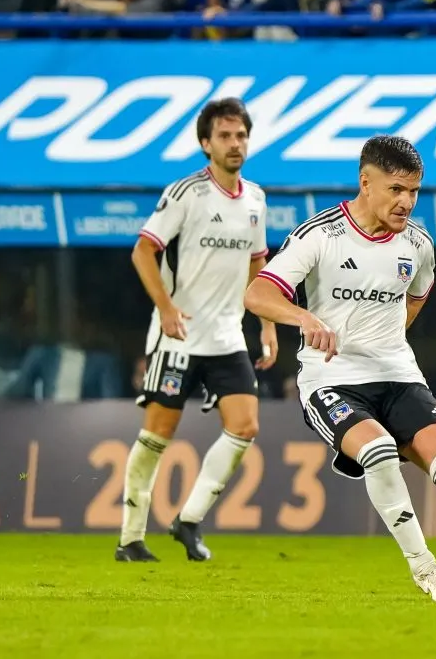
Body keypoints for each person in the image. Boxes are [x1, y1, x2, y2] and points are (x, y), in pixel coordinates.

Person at [243, 135, 436, 603]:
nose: (406, 202)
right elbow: (258, 294)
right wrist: (305, 317)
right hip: (331, 379)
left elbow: (417, 294)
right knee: (377, 451)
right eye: (396, 189)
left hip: (397, 374)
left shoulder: (418, 244)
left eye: (413, 191)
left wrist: (387, 340)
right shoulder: (321, 234)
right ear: (365, 182)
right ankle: (426, 569)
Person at [116, 97, 279, 563]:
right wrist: (166, 308)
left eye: (241, 135)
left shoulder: (255, 198)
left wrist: (266, 323)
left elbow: (257, 262)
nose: (235, 143)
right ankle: (130, 538)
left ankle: (188, 520)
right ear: (206, 144)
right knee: (158, 434)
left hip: (227, 336)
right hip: (179, 335)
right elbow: (142, 252)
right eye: (225, 136)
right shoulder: (186, 193)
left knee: (245, 426)